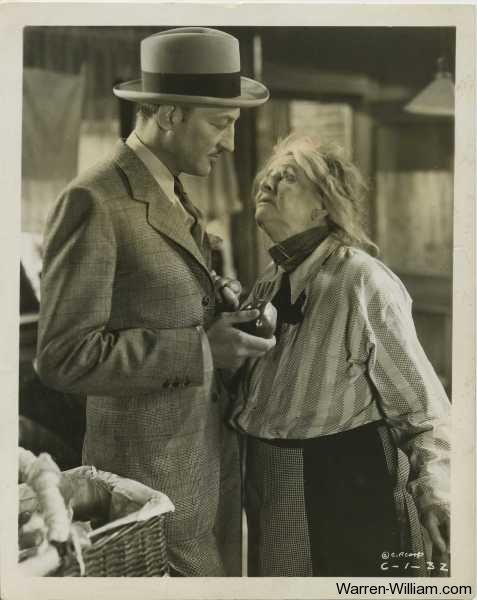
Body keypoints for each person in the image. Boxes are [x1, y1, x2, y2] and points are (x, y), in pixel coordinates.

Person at [36, 27, 275, 577]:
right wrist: (202, 349)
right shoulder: (94, 200)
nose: (230, 143)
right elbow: (62, 357)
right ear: (169, 114)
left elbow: (162, 300)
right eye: (220, 123)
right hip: (148, 489)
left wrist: (221, 311)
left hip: (205, 468)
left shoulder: (173, 190)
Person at [231, 134, 451, 577]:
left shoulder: (362, 281)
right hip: (274, 495)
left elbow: (424, 412)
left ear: (323, 206)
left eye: (287, 177)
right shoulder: (269, 283)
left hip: (348, 496)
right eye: (268, 176)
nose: (267, 183)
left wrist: (437, 496)